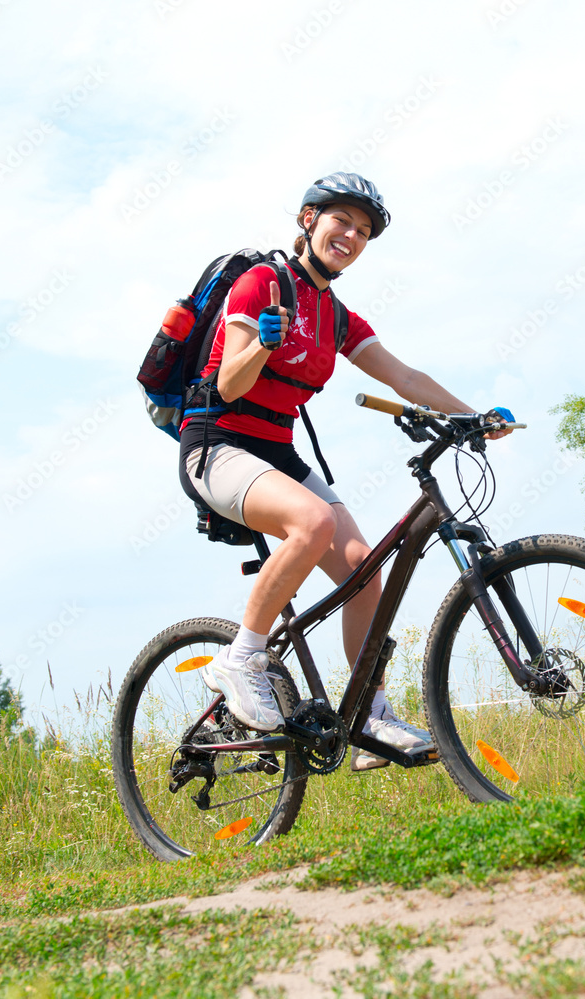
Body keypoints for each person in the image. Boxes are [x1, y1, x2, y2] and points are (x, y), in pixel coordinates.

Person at [178, 172, 511, 771]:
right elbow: (229, 383)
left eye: (363, 232)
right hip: (217, 445)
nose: (352, 237)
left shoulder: (334, 315)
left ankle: (369, 717)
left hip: (276, 452)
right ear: (309, 220)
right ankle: (239, 660)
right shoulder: (263, 283)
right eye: (342, 222)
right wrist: (262, 343)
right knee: (311, 524)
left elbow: (403, 377)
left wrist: (473, 415)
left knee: (362, 568)